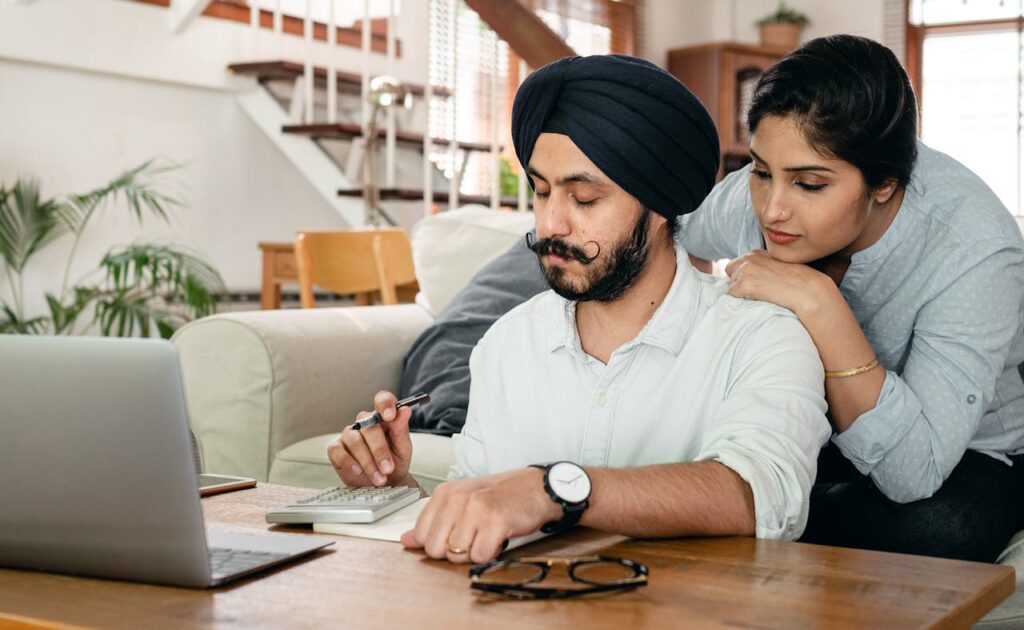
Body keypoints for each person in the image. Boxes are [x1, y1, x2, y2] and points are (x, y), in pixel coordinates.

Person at [329, 54, 830, 564]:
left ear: (659, 206)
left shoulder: (763, 334)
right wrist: (395, 485)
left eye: (584, 199)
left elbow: (762, 498)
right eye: (541, 191)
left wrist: (554, 490)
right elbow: (480, 509)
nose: (551, 224)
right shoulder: (506, 344)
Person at [681, 34, 1024, 562]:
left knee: (944, 528)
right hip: (816, 428)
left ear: (885, 183)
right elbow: (673, 239)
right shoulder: (758, 197)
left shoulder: (975, 248)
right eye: (762, 171)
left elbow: (916, 470)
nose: (772, 211)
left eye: (810, 185)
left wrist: (818, 302)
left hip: (968, 452)